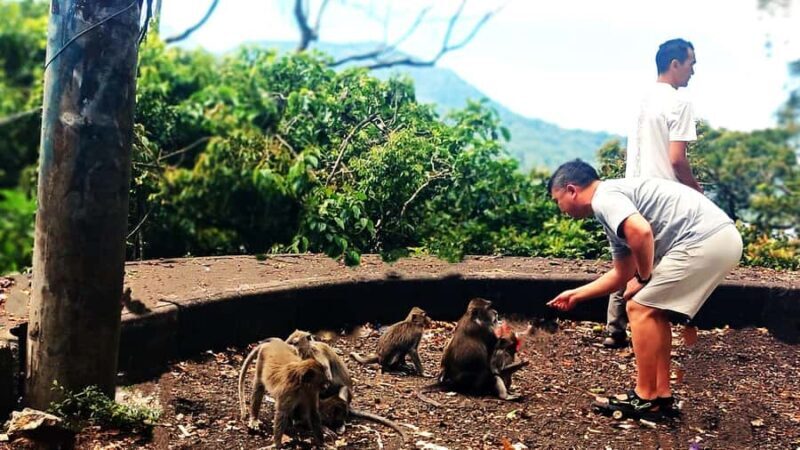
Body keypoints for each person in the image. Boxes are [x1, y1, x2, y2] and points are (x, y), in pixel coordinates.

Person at [546, 160, 741, 419]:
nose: (560, 209)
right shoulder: (612, 206)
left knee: (639, 307)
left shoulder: (605, 197)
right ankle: (660, 396)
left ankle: (644, 397)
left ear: (571, 190)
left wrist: (643, 277)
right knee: (653, 311)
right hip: (718, 238)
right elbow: (621, 273)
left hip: (704, 239)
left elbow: (641, 232)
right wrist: (577, 294)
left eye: (557, 200)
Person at [604, 38, 703, 348]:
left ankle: (614, 328)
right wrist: (697, 192)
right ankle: (648, 325)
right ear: (675, 64)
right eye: (691, 64)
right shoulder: (680, 103)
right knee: (659, 264)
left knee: (630, 257)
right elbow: (676, 160)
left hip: (631, 189)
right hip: (662, 193)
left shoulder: (641, 98)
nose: (693, 71)